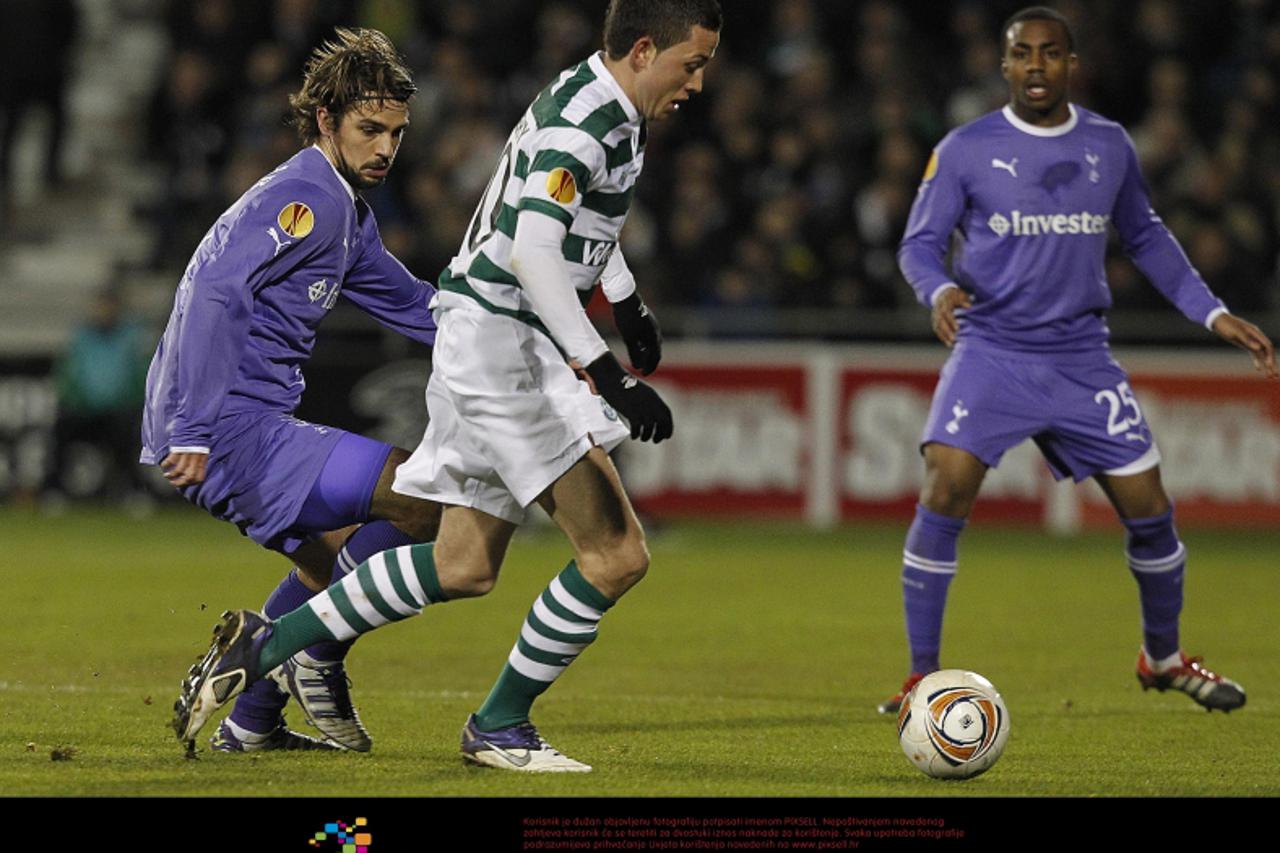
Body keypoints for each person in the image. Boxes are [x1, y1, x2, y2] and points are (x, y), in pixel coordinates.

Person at [172, 0, 723, 773]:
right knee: (604, 550)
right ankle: (473, 716)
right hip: (442, 364)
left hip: (477, 342)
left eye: (397, 132)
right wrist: (600, 367)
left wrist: (621, 300)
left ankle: (267, 661)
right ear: (642, 49)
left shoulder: (602, 108)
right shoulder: (575, 124)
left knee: (458, 560)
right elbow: (532, 251)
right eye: (692, 63)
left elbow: (552, 240)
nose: (698, 82)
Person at [880, 6, 1278, 716]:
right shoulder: (966, 148)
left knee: (1152, 511)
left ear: (1072, 64)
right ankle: (921, 678)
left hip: (1080, 359)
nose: (1036, 65)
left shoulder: (1109, 144)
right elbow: (918, 244)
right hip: (992, 351)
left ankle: (1162, 658)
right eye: (1022, 54)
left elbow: (1148, 236)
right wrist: (939, 288)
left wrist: (1212, 312)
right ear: (1003, 66)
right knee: (944, 488)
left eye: (1051, 53)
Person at [146, 28, 442, 753]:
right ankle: (300, 651)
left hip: (236, 421)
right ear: (325, 122)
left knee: (329, 566)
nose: (384, 148)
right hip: (227, 426)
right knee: (423, 496)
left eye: (396, 134)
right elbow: (215, 290)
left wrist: (527, 336)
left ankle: (252, 723)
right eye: (369, 129)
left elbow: (419, 308)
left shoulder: (346, 215)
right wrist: (192, 424)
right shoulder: (306, 196)